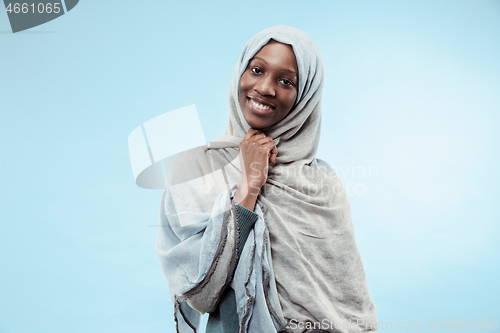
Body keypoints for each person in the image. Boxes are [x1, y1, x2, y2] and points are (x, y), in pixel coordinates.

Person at [156, 25, 377, 333]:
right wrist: (249, 184)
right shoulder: (196, 169)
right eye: (257, 70)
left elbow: (352, 306)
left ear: (306, 96)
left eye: (286, 81)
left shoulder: (323, 183)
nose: (265, 88)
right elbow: (202, 292)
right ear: (240, 73)